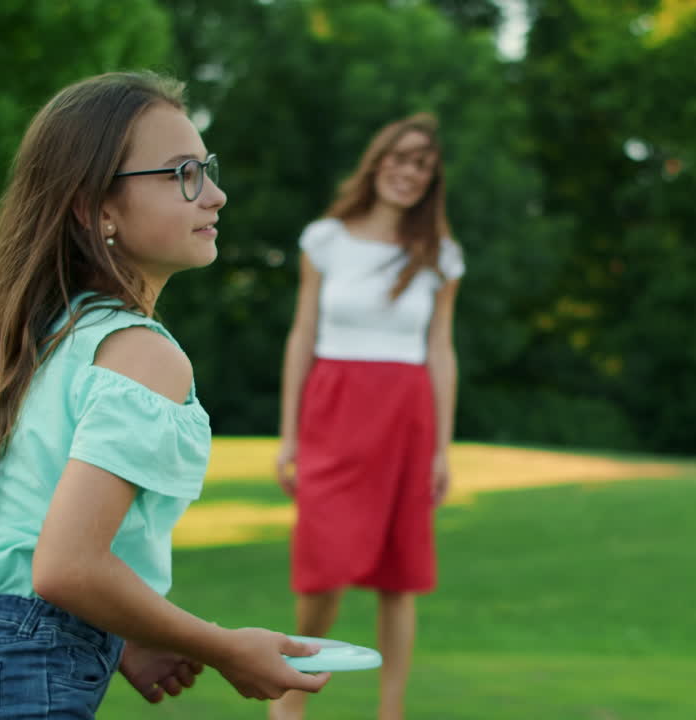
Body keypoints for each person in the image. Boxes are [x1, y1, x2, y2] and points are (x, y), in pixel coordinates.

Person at [0, 71, 329, 719]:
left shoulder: (50, 338)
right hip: (14, 674)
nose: (215, 194)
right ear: (96, 209)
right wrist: (227, 648)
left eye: (206, 169)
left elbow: (20, 542)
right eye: (182, 174)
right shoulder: (142, 354)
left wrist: (121, 638)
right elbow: (65, 566)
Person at [270, 112, 464, 720]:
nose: (409, 172)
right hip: (334, 410)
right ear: (378, 161)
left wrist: (442, 449)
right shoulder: (326, 240)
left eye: (423, 165)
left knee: (399, 575)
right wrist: (288, 436)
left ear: (432, 180)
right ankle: (290, 700)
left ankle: (390, 711)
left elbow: (441, 350)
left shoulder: (440, 256)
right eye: (400, 158)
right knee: (323, 565)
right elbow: (302, 334)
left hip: (407, 415)